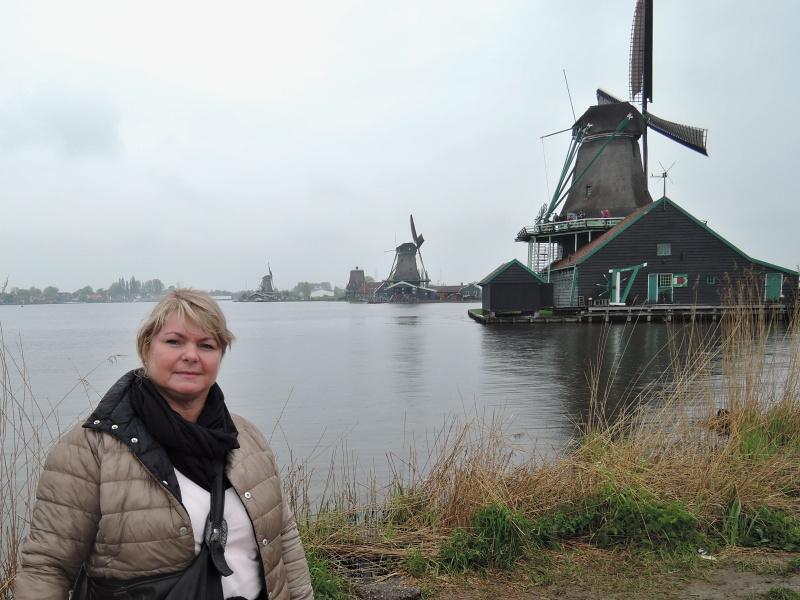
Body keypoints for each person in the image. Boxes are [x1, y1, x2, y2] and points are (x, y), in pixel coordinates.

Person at [15, 289, 314, 600]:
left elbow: (284, 540)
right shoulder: (90, 448)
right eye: (174, 342)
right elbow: (46, 566)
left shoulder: (246, 438)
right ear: (146, 348)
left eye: (207, 345)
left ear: (220, 356)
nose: (191, 355)